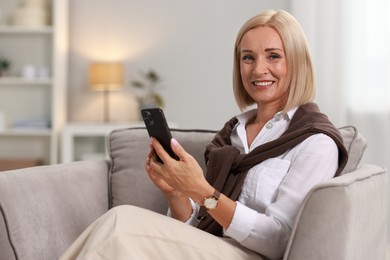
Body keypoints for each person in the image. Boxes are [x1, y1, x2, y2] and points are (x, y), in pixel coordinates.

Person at [60, 9, 348, 260]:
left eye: (273, 56)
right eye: (248, 57)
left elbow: (280, 239)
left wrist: (202, 191)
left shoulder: (316, 142)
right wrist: (176, 193)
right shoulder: (232, 135)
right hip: (208, 246)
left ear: (297, 63)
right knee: (114, 226)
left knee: (118, 225)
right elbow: (197, 222)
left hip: (251, 254)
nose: (259, 69)